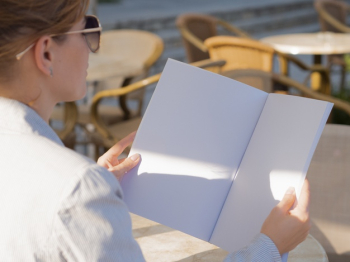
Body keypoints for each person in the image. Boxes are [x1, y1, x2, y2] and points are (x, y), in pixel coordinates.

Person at [0, 0, 310, 261]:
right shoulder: (77, 188)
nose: (93, 48)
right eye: (88, 31)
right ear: (46, 54)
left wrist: (91, 187)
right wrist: (270, 246)